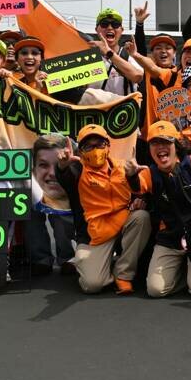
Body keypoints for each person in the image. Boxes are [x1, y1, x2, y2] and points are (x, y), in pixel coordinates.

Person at [127, 121, 191, 298]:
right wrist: (131, 174)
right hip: (170, 239)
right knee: (155, 290)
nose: (160, 147)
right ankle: (184, 274)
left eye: (166, 142)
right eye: (155, 143)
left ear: (176, 145)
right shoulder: (150, 172)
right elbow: (138, 187)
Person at [56, 124, 151, 295]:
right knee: (92, 285)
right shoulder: (78, 170)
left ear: (108, 146)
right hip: (95, 235)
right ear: (81, 151)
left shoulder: (123, 166)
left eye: (99, 144)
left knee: (142, 217)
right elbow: (66, 177)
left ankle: (123, 275)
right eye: (89, 146)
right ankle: (92, 263)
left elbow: (141, 189)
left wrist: (133, 178)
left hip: (123, 224)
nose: (96, 150)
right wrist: (62, 166)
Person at [27, 133, 76, 276]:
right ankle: (40, 260)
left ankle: (68, 258)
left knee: (61, 215)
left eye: (58, 165)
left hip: (65, 188)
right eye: (43, 165)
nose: (52, 173)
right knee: (31, 214)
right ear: (34, 167)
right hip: (35, 184)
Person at [89, 8, 143, 97]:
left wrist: (109, 52)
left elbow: (138, 76)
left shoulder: (129, 54)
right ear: (96, 29)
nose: (110, 28)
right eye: (104, 24)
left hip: (124, 109)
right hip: (96, 109)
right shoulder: (89, 57)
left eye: (115, 24)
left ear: (121, 30)